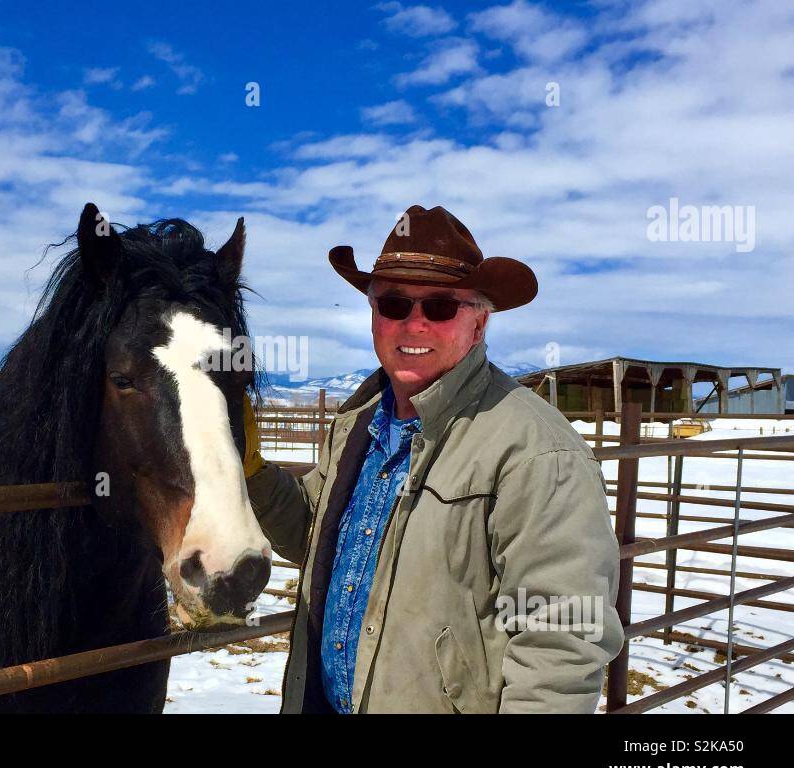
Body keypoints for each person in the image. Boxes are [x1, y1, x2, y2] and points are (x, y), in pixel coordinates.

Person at [243, 205, 623, 713]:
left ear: (479, 323)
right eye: (394, 303)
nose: (414, 324)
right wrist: (251, 471)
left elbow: (562, 642)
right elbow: (313, 534)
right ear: (373, 314)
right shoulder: (360, 421)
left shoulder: (535, 450)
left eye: (442, 307)